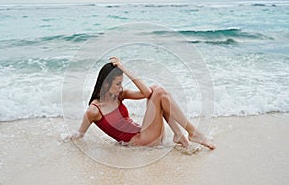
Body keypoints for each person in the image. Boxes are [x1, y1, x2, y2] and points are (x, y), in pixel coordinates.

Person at [69, 57, 215, 151]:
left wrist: (125, 69)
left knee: (156, 90)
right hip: (142, 142)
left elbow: (146, 93)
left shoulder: (120, 96)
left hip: (148, 134)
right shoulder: (93, 111)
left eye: (122, 83)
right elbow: (80, 134)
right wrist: (66, 139)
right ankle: (191, 133)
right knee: (159, 93)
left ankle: (180, 134)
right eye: (117, 84)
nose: (121, 88)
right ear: (106, 84)